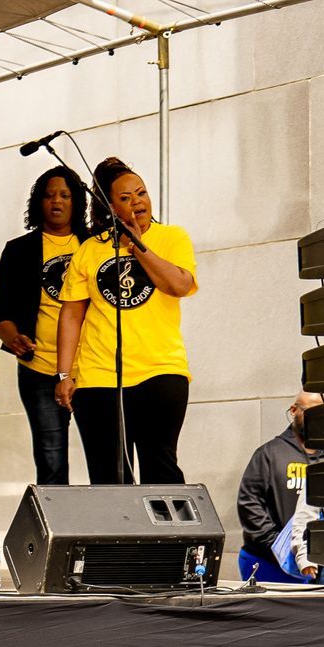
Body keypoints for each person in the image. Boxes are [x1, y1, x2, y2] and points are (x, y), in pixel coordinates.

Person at [54, 157, 199, 484]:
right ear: (109, 207)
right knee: (109, 477)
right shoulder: (90, 250)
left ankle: (169, 536)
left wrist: (138, 247)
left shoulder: (171, 237)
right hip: (98, 376)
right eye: (125, 198)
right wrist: (64, 374)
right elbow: (72, 314)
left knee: (160, 469)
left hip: (160, 371)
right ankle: (121, 537)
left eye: (142, 193)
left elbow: (178, 285)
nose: (137, 202)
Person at [0, 166, 90, 485]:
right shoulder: (19, 250)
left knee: (106, 457)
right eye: (48, 195)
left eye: (64, 195)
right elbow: (1, 311)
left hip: (93, 368)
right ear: (38, 203)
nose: (56, 201)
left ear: (77, 203)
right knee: (51, 460)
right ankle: (59, 532)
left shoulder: (94, 245)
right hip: (39, 370)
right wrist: (13, 336)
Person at [236, 391, 324, 583]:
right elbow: (249, 504)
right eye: (311, 411)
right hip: (267, 560)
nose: (317, 417)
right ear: (294, 410)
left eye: (322, 411)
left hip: (316, 564)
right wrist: (279, 547)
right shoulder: (269, 454)